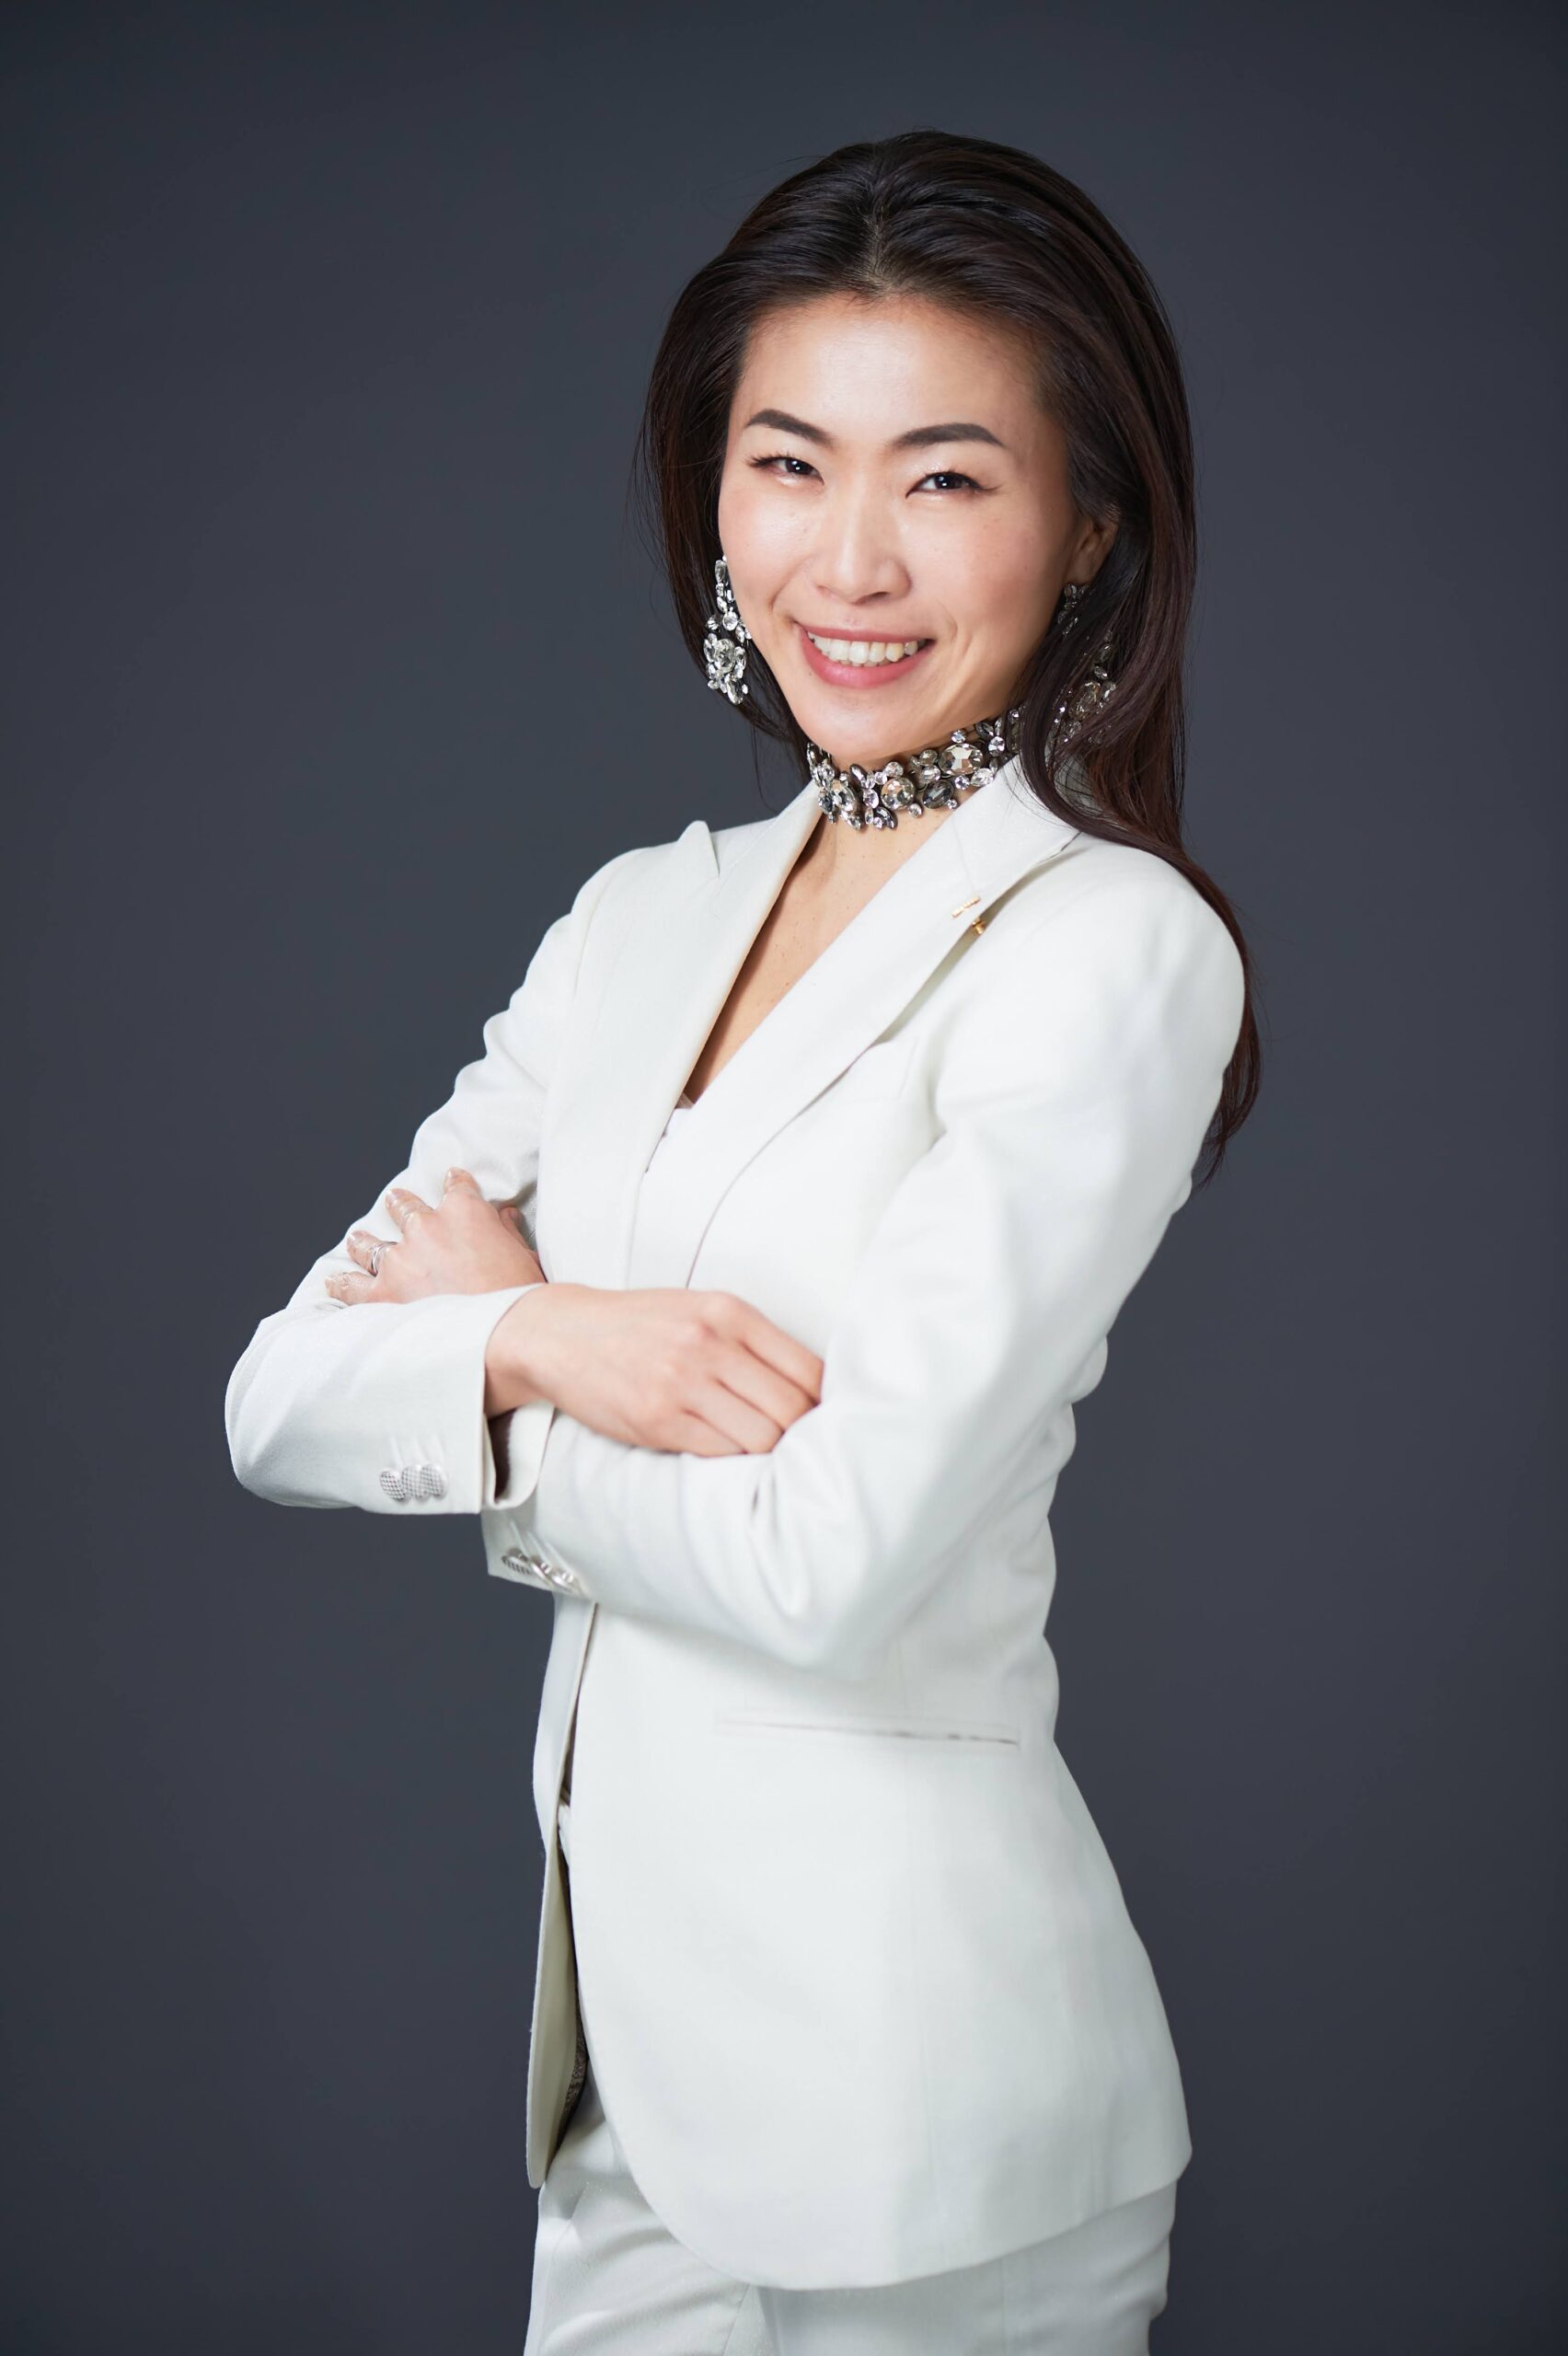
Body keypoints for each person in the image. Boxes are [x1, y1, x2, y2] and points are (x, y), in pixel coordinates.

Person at [225, 127, 1260, 2356]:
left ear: (1090, 526)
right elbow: (277, 1393)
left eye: (948, 477)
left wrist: (494, 1358)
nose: (851, 558)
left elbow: (829, 1562)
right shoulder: (636, 919)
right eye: (790, 462)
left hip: (926, 2137)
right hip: (628, 2105)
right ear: (716, 495)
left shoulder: (1106, 946)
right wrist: (554, 1333)